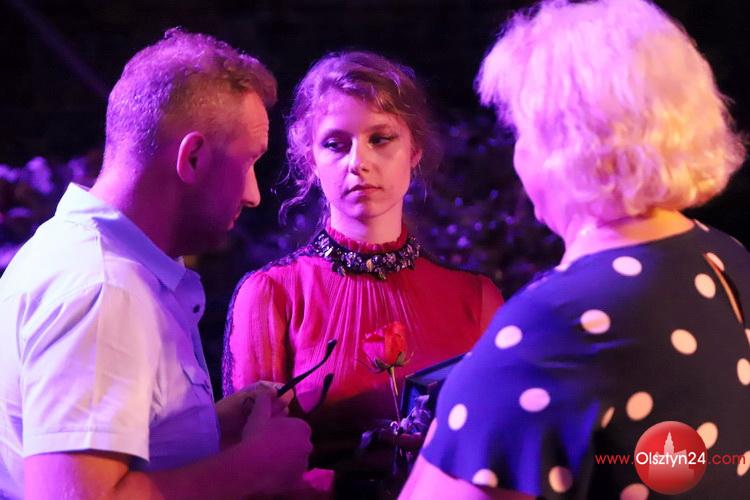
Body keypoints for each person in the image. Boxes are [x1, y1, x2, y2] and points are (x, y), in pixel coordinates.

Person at [400, 0, 749, 498]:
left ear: (563, 143)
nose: (519, 152)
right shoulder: (728, 259)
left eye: (521, 131)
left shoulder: (558, 323)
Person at [0, 29, 312, 499]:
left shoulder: (78, 255)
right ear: (193, 157)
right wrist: (254, 468)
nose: (253, 195)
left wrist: (204, 429)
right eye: (248, 162)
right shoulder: (104, 288)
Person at [223, 51, 503, 492]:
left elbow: (498, 454)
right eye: (336, 144)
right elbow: (248, 474)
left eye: (381, 138)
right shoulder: (272, 294)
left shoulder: (475, 299)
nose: (359, 162)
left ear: (414, 151)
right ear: (310, 160)